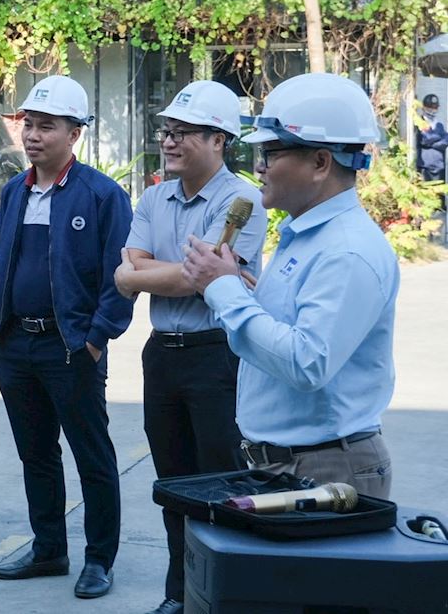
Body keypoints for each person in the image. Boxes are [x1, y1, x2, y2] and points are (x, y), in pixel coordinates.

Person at [184, 73, 399, 497]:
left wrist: (225, 291)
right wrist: (237, 294)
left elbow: (307, 362)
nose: (259, 167)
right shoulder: (307, 235)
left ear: (320, 163)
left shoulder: (347, 250)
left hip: (327, 466)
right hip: (292, 461)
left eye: (270, 153)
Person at [113, 81, 267, 614]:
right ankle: (179, 593)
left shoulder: (242, 200)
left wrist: (148, 275)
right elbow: (138, 269)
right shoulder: (154, 197)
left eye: (183, 133)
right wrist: (179, 273)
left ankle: (228, 595)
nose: (169, 141)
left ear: (219, 139)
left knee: (223, 481)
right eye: (167, 131)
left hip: (215, 356)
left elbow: (186, 278)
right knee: (174, 483)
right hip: (162, 355)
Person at [0, 75, 133, 601]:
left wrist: (96, 338)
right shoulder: (15, 191)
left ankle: (99, 559)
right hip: (16, 345)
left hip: (71, 348)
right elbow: (1, 261)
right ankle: (49, 548)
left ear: (75, 133)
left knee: (92, 457)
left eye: (46, 126)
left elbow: (121, 276)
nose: (33, 135)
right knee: (36, 454)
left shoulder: (102, 195)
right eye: (29, 124)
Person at [416, 93, 446, 182]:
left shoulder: (439, 124)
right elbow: (425, 139)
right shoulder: (420, 122)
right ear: (424, 107)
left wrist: (431, 143)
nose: (433, 109)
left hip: (439, 166)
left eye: (435, 107)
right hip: (425, 166)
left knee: (440, 190)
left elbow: (445, 142)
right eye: (430, 107)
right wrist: (439, 137)